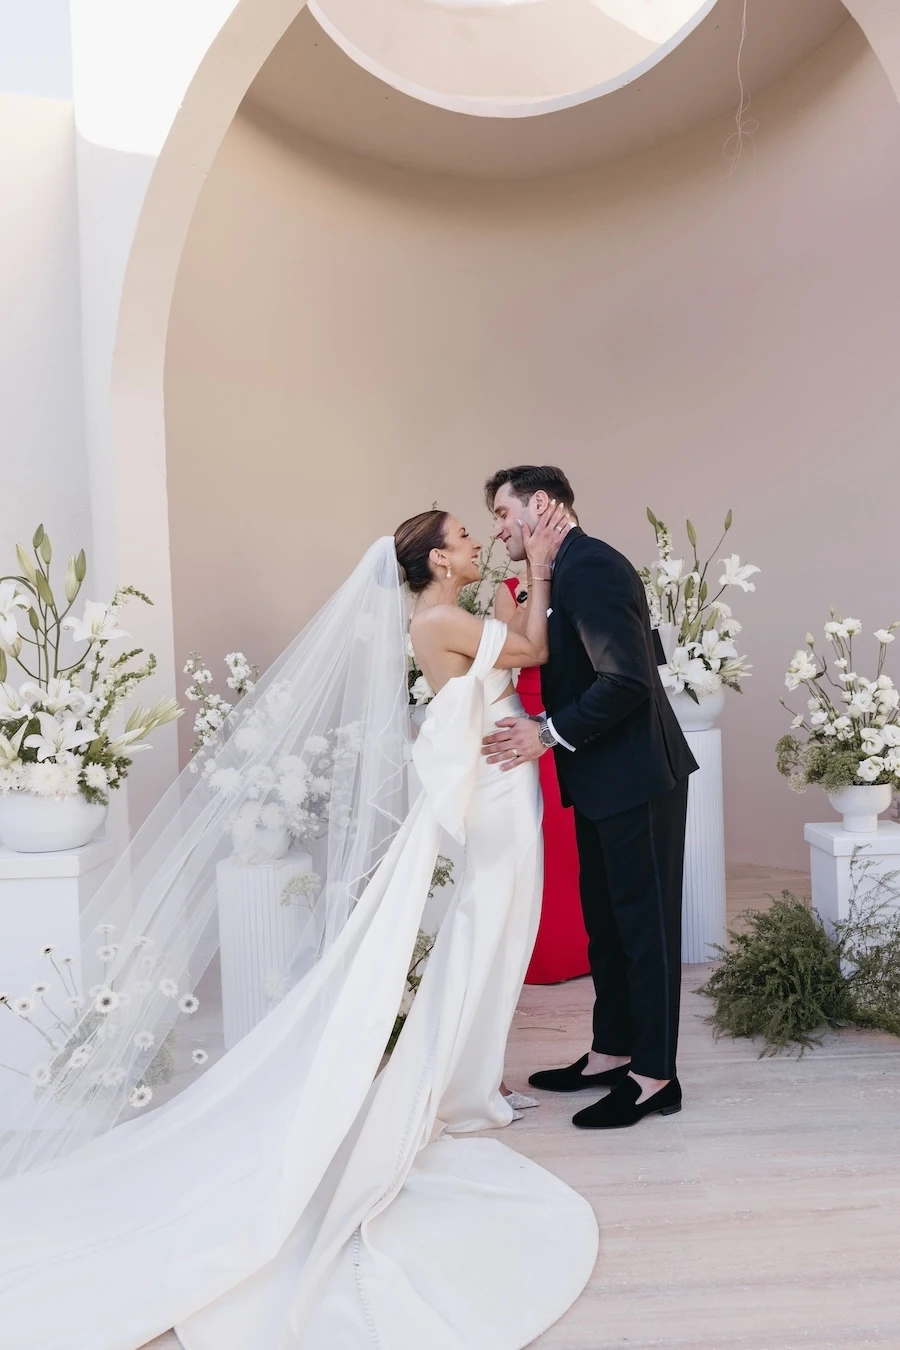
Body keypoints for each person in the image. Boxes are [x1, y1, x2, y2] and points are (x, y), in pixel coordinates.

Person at [0, 507, 598, 1350]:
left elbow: (508, 653)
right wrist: (536, 563)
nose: (475, 543)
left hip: (499, 783)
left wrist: (516, 589)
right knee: (485, 938)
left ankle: (471, 1084)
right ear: (437, 561)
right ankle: (463, 1092)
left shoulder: (446, 614)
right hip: (495, 794)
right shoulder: (438, 619)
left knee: (492, 939)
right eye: (463, 537)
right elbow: (531, 652)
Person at [483, 466, 698, 1129]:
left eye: (502, 513)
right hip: (602, 778)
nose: (498, 530)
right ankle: (612, 1052)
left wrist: (546, 733)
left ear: (541, 504)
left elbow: (627, 679)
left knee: (645, 931)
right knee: (608, 926)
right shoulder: (562, 568)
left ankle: (655, 1076)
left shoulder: (593, 566)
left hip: (638, 778)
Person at [494, 576, 589, 984]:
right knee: (543, 832)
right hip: (531, 715)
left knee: (574, 838)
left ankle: (583, 948)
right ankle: (542, 954)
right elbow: (509, 652)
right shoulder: (510, 588)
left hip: (575, 713)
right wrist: (533, 594)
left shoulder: (578, 579)